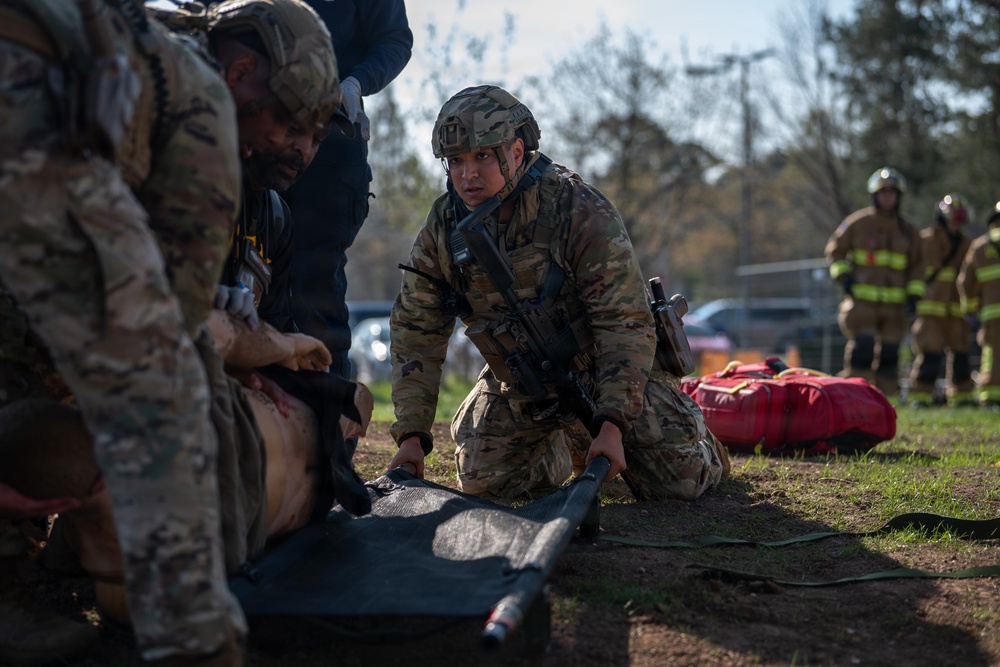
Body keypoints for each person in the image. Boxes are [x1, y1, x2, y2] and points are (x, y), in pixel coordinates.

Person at [0, 0, 343, 664]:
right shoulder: (200, 106)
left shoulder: (137, 49)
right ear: (239, 72)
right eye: (283, 123)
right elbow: (164, 343)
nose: (278, 145)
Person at [387, 85, 728, 502]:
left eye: (482, 156)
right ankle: (565, 448)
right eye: (455, 161)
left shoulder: (576, 208)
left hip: (604, 370)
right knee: (483, 480)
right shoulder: (443, 227)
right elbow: (416, 328)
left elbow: (623, 323)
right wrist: (412, 436)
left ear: (515, 151)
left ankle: (705, 448)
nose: (467, 174)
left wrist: (612, 423)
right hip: (524, 381)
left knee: (677, 482)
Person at [283, 0, 414, 377]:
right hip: (249, 136)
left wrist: (356, 82)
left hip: (330, 139)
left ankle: (328, 408)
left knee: (315, 289)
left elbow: (394, 39)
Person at [825, 167, 924, 397]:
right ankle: (852, 396)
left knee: (890, 355)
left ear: (898, 196)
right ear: (875, 195)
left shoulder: (908, 231)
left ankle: (886, 399)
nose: (887, 197)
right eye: (883, 192)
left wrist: (914, 294)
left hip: (895, 307)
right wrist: (843, 277)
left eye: (892, 192)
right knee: (862, 350)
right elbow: (835, 251)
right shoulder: (857, 223)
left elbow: (918, 265)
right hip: (862, 303)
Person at [908, 194, 975, 407]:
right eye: (953, 219)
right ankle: (920, 397)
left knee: (961, 355)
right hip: (930, 310)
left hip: (956, 310)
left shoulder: (968, 244)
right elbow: (914, 269)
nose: (956, 224)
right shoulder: (926, 240)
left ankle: (963, 397)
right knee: (930, 355)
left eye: (959, 219)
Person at [957, 201, 1000, 407]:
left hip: (991, 314)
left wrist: (970, 308)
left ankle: (990, 397)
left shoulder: (979, 247)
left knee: (992, 355)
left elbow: (966, 282)